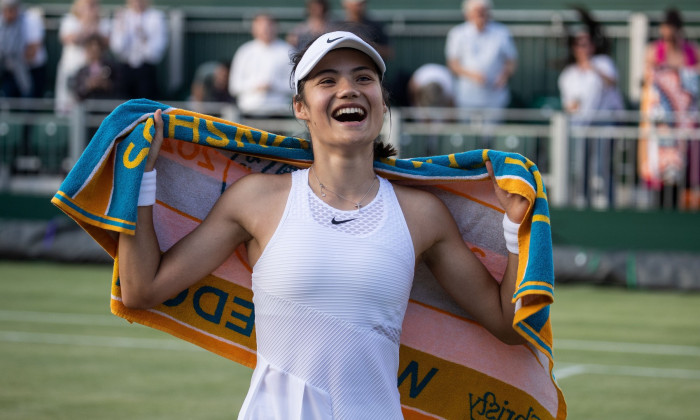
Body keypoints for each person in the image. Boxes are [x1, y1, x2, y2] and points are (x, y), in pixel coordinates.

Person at [118, 30, 529, 419]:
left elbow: (508, 324)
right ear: (300, 107)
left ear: (382, 102)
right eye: (327, 80)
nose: (348, 89)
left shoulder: (421, 215)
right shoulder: (256, 200)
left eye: (363, 78)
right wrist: (141, 177)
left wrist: (515, 229)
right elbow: (141, 289)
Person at [557, 7, 624, 209]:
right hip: (581, 126)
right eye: (579, 44)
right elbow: (568, 104)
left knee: (604, 167)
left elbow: (611, 82)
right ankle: (584, 204)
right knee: (583, 167)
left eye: (586, 43)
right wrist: (573, 107)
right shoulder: (568, 74)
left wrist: (592, 68)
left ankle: (609, 205)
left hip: (604, 123)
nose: (583, 47)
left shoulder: (603, 63)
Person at [640, 8, 700, 209]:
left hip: (686, 126)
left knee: (684, 174)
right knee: (661, 173)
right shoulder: (653, 51)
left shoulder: (693, 52)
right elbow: (650, 81)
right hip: (661, 127)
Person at [445, 0, 517, 114]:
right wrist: (472, 75)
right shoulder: (457, 33)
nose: (480, 14)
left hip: (495, 96)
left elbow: (511, 61)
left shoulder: (502, 32)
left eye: (483, 11)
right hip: (467, 96)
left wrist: (503, 76)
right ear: (467, 14)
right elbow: (453, 64)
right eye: (476, 11)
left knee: (493, 130)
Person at [228, 13, 293, 117]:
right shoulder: (244, 51)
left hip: (279, 113)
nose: (265, 30)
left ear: (276, 27)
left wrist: (274, 86)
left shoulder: (288, 51)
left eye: (269, 26)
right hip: (248, 112)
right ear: (254, 29)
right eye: (261, 26)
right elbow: (234, 87)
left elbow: (295, 85)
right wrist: (256, 85)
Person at [54, 0, 110, 114]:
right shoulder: (70, 20)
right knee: (67, 106)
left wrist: (94, 26)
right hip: (71, 68)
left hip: (92, 73)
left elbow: (106, 42)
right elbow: (68, 38)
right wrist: (86, 23)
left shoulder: (102, 21)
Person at [109, 0, 167, 99]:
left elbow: (156, 51)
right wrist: (122, 28)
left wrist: (143, 38)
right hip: (125, 69)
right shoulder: (122, 16)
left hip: (146, 70)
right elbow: (117, 47)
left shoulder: (156, 17)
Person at [0, 0, 46, 98]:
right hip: (8, 72)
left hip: (31, 71)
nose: (8, 14)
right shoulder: (2, 23)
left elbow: (32, 52)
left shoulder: (31, 20)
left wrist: (13, 56)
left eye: (11, 9)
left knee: (30, 103)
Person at [68, 33, 119, 101]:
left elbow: (120, 89)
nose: (94, 53)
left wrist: (106, 84)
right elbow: (77, 94)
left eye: (97, 50)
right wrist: (88, 85)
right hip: (88, 109)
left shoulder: (112, 68)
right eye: (91, 50)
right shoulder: (81, 72)